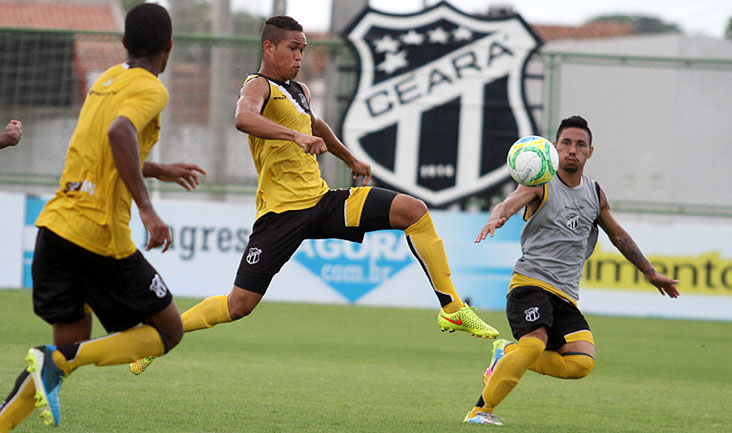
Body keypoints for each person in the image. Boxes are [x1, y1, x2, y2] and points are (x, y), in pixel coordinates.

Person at [128, 14, 497, 376]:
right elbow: (243, 118)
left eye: (303, 49)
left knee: (413, 210)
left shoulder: (300, 91)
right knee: (239, 305)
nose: (300, 57)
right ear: (269, 47)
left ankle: (451, 307)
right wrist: (294, 136)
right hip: (281, 215)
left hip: (323, 203)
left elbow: (316, 125)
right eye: (293, 48)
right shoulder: (258, 86)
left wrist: (349, 156)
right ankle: (156, 337)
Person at [0, 4, 206, 431]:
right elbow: (119, 134)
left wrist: (156, 167)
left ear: (124, 43)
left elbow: (105, 146)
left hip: (55, 226)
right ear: (168, 46)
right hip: (96, 235)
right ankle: (54, 360)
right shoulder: (151, 88)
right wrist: (148, 210)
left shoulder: (106, 80)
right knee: (169, 330)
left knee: (66, 349)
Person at [463, 115, 680, 426]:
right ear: (554, 148)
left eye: (580, 145)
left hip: (565, 295)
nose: (572, 150)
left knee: (581, 363)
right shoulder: (539, 182)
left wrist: (649, 272)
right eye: (566, 143)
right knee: (535, 342)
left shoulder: (595, 193)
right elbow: (510, 202)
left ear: (590, 152)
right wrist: (497, 217)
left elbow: (618, 235)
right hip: (530, 284)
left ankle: (507, 353)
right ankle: (480, 411)